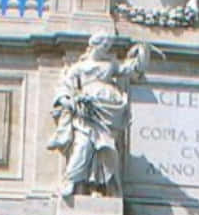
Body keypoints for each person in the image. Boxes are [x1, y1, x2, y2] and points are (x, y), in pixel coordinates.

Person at [48, 32, 148, 198]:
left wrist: (143, 53)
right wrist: (69, 101)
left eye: (109, 46)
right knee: (83, 145)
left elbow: (131, 69)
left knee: (105, 148)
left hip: (109, 109)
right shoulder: (78, 68)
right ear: (95, 44)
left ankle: (98, 186)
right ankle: (71, 182)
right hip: (87, 111)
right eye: (105, 45)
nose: (107, 49)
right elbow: (64, 87)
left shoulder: (111, 65)